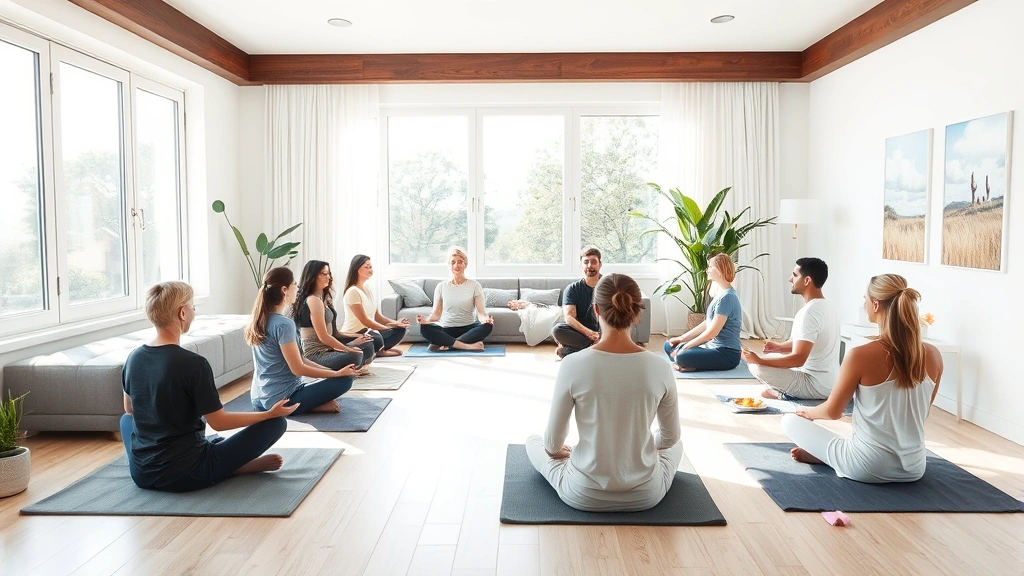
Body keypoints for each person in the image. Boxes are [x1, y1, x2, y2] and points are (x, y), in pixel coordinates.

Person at [526, 273, 682, 512]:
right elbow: (670, 438)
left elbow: (551, 445)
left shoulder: (572, 364)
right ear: (638, 312)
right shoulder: (661, 367)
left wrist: (560, 450)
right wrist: (641, 445)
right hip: (645, 496)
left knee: (533, 441)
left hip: (583, 493)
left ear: (596, 310)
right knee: (677, 444)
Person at [120, 281, 295, 493]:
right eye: (193, 307)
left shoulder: (134, 357)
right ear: (182, 313)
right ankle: (232, 468)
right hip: (187, 473)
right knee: (276, 424)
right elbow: (219, 422)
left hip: (142, 474)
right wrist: (268, 414)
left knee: (125, 421)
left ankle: (222, 462)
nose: (194, 312)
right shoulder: (194, 363)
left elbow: (130, 410)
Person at [782, 274, 943, 483]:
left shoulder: (860, 355)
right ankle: (833, 454)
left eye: (865, 299)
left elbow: (832, 412)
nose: (864, 304)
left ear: (875, 305)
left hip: (866, 467)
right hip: (913, 468)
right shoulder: (934, 355)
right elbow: (923, 413)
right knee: (858, 437)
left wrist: (806, 412)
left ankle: (832, 457)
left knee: (789, 420)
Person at [246, 267, 359, 414]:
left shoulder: (259, 320)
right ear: (284, 290)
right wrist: (338, 375)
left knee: (341, 375)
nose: (297, 288)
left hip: (259, 399)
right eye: (295, 284)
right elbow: (298, 368)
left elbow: (301, 360)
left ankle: (310, 403)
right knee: (346, 380)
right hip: (283, 400)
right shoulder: (284, 324)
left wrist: (334, 371)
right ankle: (307, 406)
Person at [741, 257, 840, 400]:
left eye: (794, 275)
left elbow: (798, 359)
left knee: (755, 367)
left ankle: (784, 394)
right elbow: (808, 343)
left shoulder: (809, 313)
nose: (790, 279)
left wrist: (759, 361)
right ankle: (782, 388)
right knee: (767, 358)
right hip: (831, 383)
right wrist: (779, 347)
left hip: (815, 385)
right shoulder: (828, 307)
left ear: (807, 281)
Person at [663, 253, 742, 372]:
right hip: (711, 348)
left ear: (720, 270)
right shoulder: (720, 293)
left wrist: (685, 346)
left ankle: (683, 363)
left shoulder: (728, 297)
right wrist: (681, 339)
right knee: (669, 345)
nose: (707, 270)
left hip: (727, 353)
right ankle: (683, 364)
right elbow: (708, 323)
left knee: (680, 355)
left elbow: (711, 334)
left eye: (710, 267)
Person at [293, 260, 375, 372]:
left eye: (329, 273)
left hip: (329, 349)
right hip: (316, 354)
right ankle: (349, 370)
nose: (329, 277)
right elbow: (324, 337)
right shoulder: (313, 300)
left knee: (367, 344)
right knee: (355, 355)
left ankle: (351, 369)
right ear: (312, 276)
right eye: (324, 274)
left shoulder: (325, 299)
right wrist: (347, 349)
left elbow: (335, 332)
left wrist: (356, 338)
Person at [417, 247, 494, 351]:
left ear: (465, 264)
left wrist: (486, 320)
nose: (456, 265)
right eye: (453, 262)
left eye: (460, 262)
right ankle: (466, 345)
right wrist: (426, 321)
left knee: (487, 326)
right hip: (447, 329)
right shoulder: (441, 286)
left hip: (469, 328)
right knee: (424, 329)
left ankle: (445, 343)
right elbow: (436, 314)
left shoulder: (475, 285)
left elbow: (481, 313)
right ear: (449, 265)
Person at [341, 254, 410, 357]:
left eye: (371, 267)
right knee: (375, 336)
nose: (370, 270)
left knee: (400, 330)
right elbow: (365, 321)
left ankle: (377, 349)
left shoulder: (368, 288)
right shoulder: (352, 291)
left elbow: (378, 317)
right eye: (366, 267)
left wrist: (397, 324)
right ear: (357, 269)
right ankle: (377, 350)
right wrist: (387, 328)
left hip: (369, 332)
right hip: (355, 334)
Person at [551, 247, 603, 359]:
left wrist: (601, 335)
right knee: (557, 330)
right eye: (586, 262)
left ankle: (570, 352)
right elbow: (569, 317)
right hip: (582, 333)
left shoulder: (609, 285)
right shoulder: (572, 289)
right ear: (581, 265)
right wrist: (590, 334)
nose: (590, 266)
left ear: (600, 264)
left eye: (594, 262)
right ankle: (596, 349)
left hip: (605, 332)